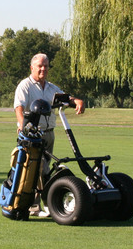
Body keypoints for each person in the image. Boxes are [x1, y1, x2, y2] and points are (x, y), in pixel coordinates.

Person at [14, 53, 85, 216]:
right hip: (32, 135)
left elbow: (65, 98)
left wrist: (77, 101)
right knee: (37, 169)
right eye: (40, 66)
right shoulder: (25, 86)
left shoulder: (51, 87)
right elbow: (19, 107)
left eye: (46, 66)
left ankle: (45, 203)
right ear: (32, 67)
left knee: (43, 170)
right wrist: (22, 125)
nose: (43, 69)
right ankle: (36, 205)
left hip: (49, 134)